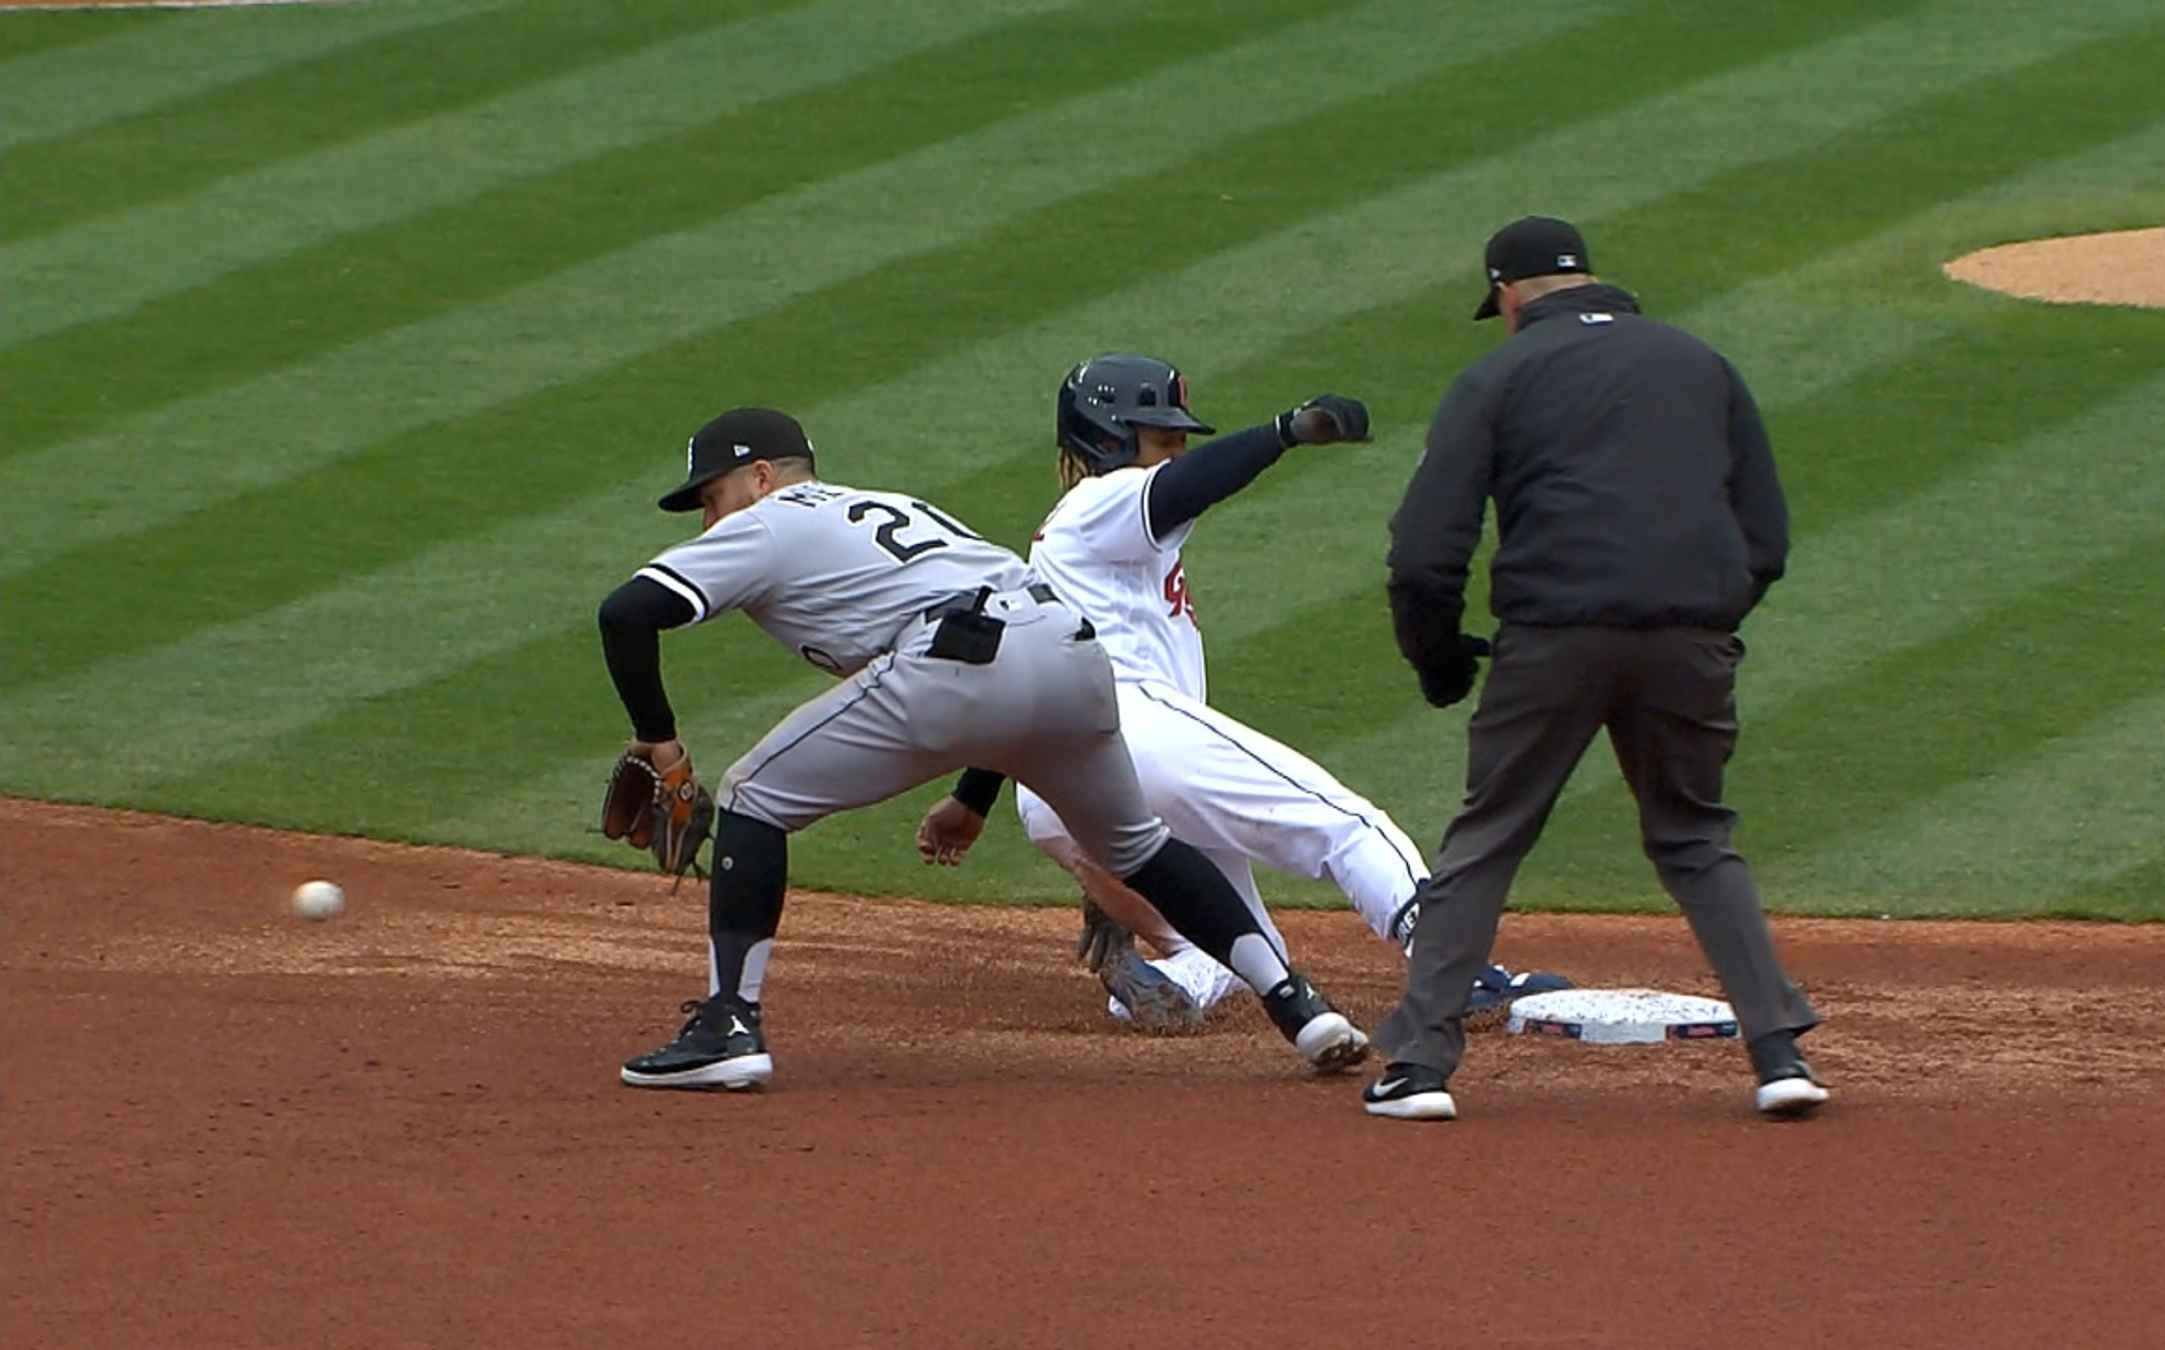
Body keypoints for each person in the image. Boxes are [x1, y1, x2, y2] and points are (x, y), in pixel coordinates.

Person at [597, 406, 1370, 1090]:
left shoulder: (768, 520)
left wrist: (659, 743)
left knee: (752, 795)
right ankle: (1298, 1004)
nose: (708, 520)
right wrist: (974, 797)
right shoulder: (890, 506)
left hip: (959, 663)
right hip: (1071, 657)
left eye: (710, 497)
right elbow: (1008, 656)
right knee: (1139, 848)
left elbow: (625, 612)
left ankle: (731, 1024)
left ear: (760, 477)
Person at [913, 355, 1570, 1029]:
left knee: (1249, 947)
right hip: (1137, 735)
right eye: (1161, 438)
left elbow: (1021, 675)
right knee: (1346, 827)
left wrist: (971, 800)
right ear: (1107, 438)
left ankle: (1168, 981)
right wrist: (1284, 432)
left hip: (1056, 781)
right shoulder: (1102, 501)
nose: (1175, 452)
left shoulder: (1058, 545)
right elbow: (1184, 488)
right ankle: (1456, 973)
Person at [1362, 216, 1828, 1123]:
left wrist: (1439, 660)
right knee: (1695, 836)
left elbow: (1424, 553)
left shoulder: (1497, 374)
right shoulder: (1701, 364)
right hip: (1689, 639)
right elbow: (1764, 531)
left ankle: (1418, 1068)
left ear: (1506, 295)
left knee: (1489, 837)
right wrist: (1708, 621)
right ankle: (1778, 1057)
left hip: (1554, 640)